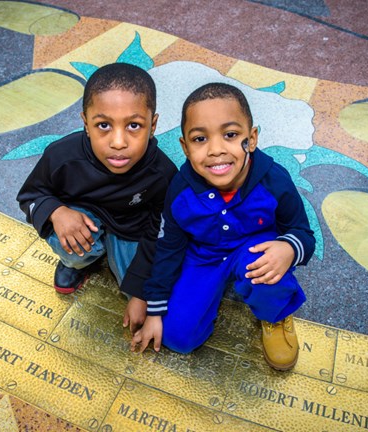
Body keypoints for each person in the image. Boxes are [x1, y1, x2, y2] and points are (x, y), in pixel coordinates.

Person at [131, 82, 315, 371]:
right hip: (205, 255)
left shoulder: (274, 180)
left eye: (230, 135)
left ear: (251, 139)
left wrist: (289, 249)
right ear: (185, 147)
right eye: (200, 139)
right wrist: (155, 310)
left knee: (266, 267)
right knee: (178, 338)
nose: (216, 150)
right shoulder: (179, 191)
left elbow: (303, 233)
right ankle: (207, 299)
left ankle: (275, 314)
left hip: (254, 249)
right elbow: (167, 248)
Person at [17, 63, 177, 332]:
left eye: (134, 125)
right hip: (83, 216)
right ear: (85, 124)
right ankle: (74, 264)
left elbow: (159, 232)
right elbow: (31, 195)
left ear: (153, 125)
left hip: (131, 227)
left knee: (144, 295)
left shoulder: (163, 174)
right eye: (103, 125)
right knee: (75, 247)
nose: (118, 142)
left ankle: (119, 261)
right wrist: (57, 211)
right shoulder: (62, 156)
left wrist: (138, 291)